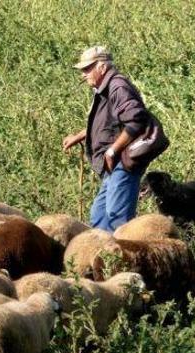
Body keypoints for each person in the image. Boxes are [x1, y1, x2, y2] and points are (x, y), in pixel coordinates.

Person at [62, 46, 152, 232]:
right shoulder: (105, 88)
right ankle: (104, 256)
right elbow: (106, 123)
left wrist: (112, 151)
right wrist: (78, 137)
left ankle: (121, 259)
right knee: (99, 215)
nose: (83, 74)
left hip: (123, 161)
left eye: (87, 69)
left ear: (102, 67)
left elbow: (137, 119)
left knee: (116, 217)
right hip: (113, 164)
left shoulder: (118, 87)